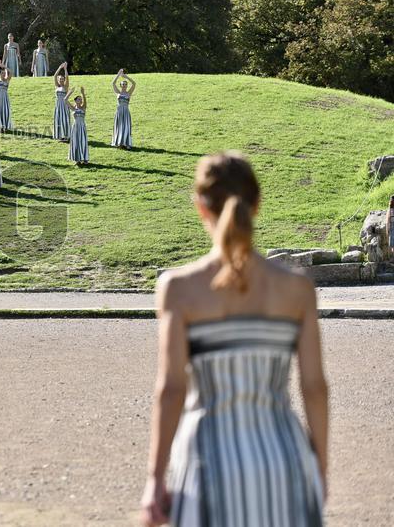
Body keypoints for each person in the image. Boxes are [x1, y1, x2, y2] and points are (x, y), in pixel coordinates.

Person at [140, 152, 328, 527]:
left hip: (206, 463)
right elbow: (314, 387)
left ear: (200, 208)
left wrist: (154, 480)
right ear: (256, 205)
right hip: (283, 460)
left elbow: (172, 389)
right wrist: (319, 467)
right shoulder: (297, 289)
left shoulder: (178, 289)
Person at [112, 68, 137, 149]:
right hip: (119, 111)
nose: (124, 86)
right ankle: (119, 143)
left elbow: (134, 83)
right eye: (122, 84)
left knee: (126, 126)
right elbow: (113, 83)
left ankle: (126, 143)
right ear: (121, 85)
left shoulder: (128, 93)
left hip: (126, 111)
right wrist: (118, 75)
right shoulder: (118, 93)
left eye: (125, 84)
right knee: (119, 126)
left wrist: (126, 77)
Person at [67, 86, 89, 165]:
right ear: (76, 101)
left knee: (83, 141)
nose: (81, 100)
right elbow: (65, 100)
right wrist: (70, 92)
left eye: (81, 99)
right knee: (76, 142)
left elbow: (85, 102)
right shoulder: (73, 108)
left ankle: (85, 159)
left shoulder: (83, 108)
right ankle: (77, 159)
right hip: (75, 127)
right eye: (79, 99)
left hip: (82, 126)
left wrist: (83, 93)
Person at [53, 62, 71, 142]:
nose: (61, 80)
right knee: (59, 120)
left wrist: (65, 69)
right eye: (60, 79)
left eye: (62, 79)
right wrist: (60, 68)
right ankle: (60, 135)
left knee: (65, 120)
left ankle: (66, 136)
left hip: (64, 105)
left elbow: (67, 77)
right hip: (58, 106)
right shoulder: (57, 86)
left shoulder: (66, 87)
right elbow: (55, 76)